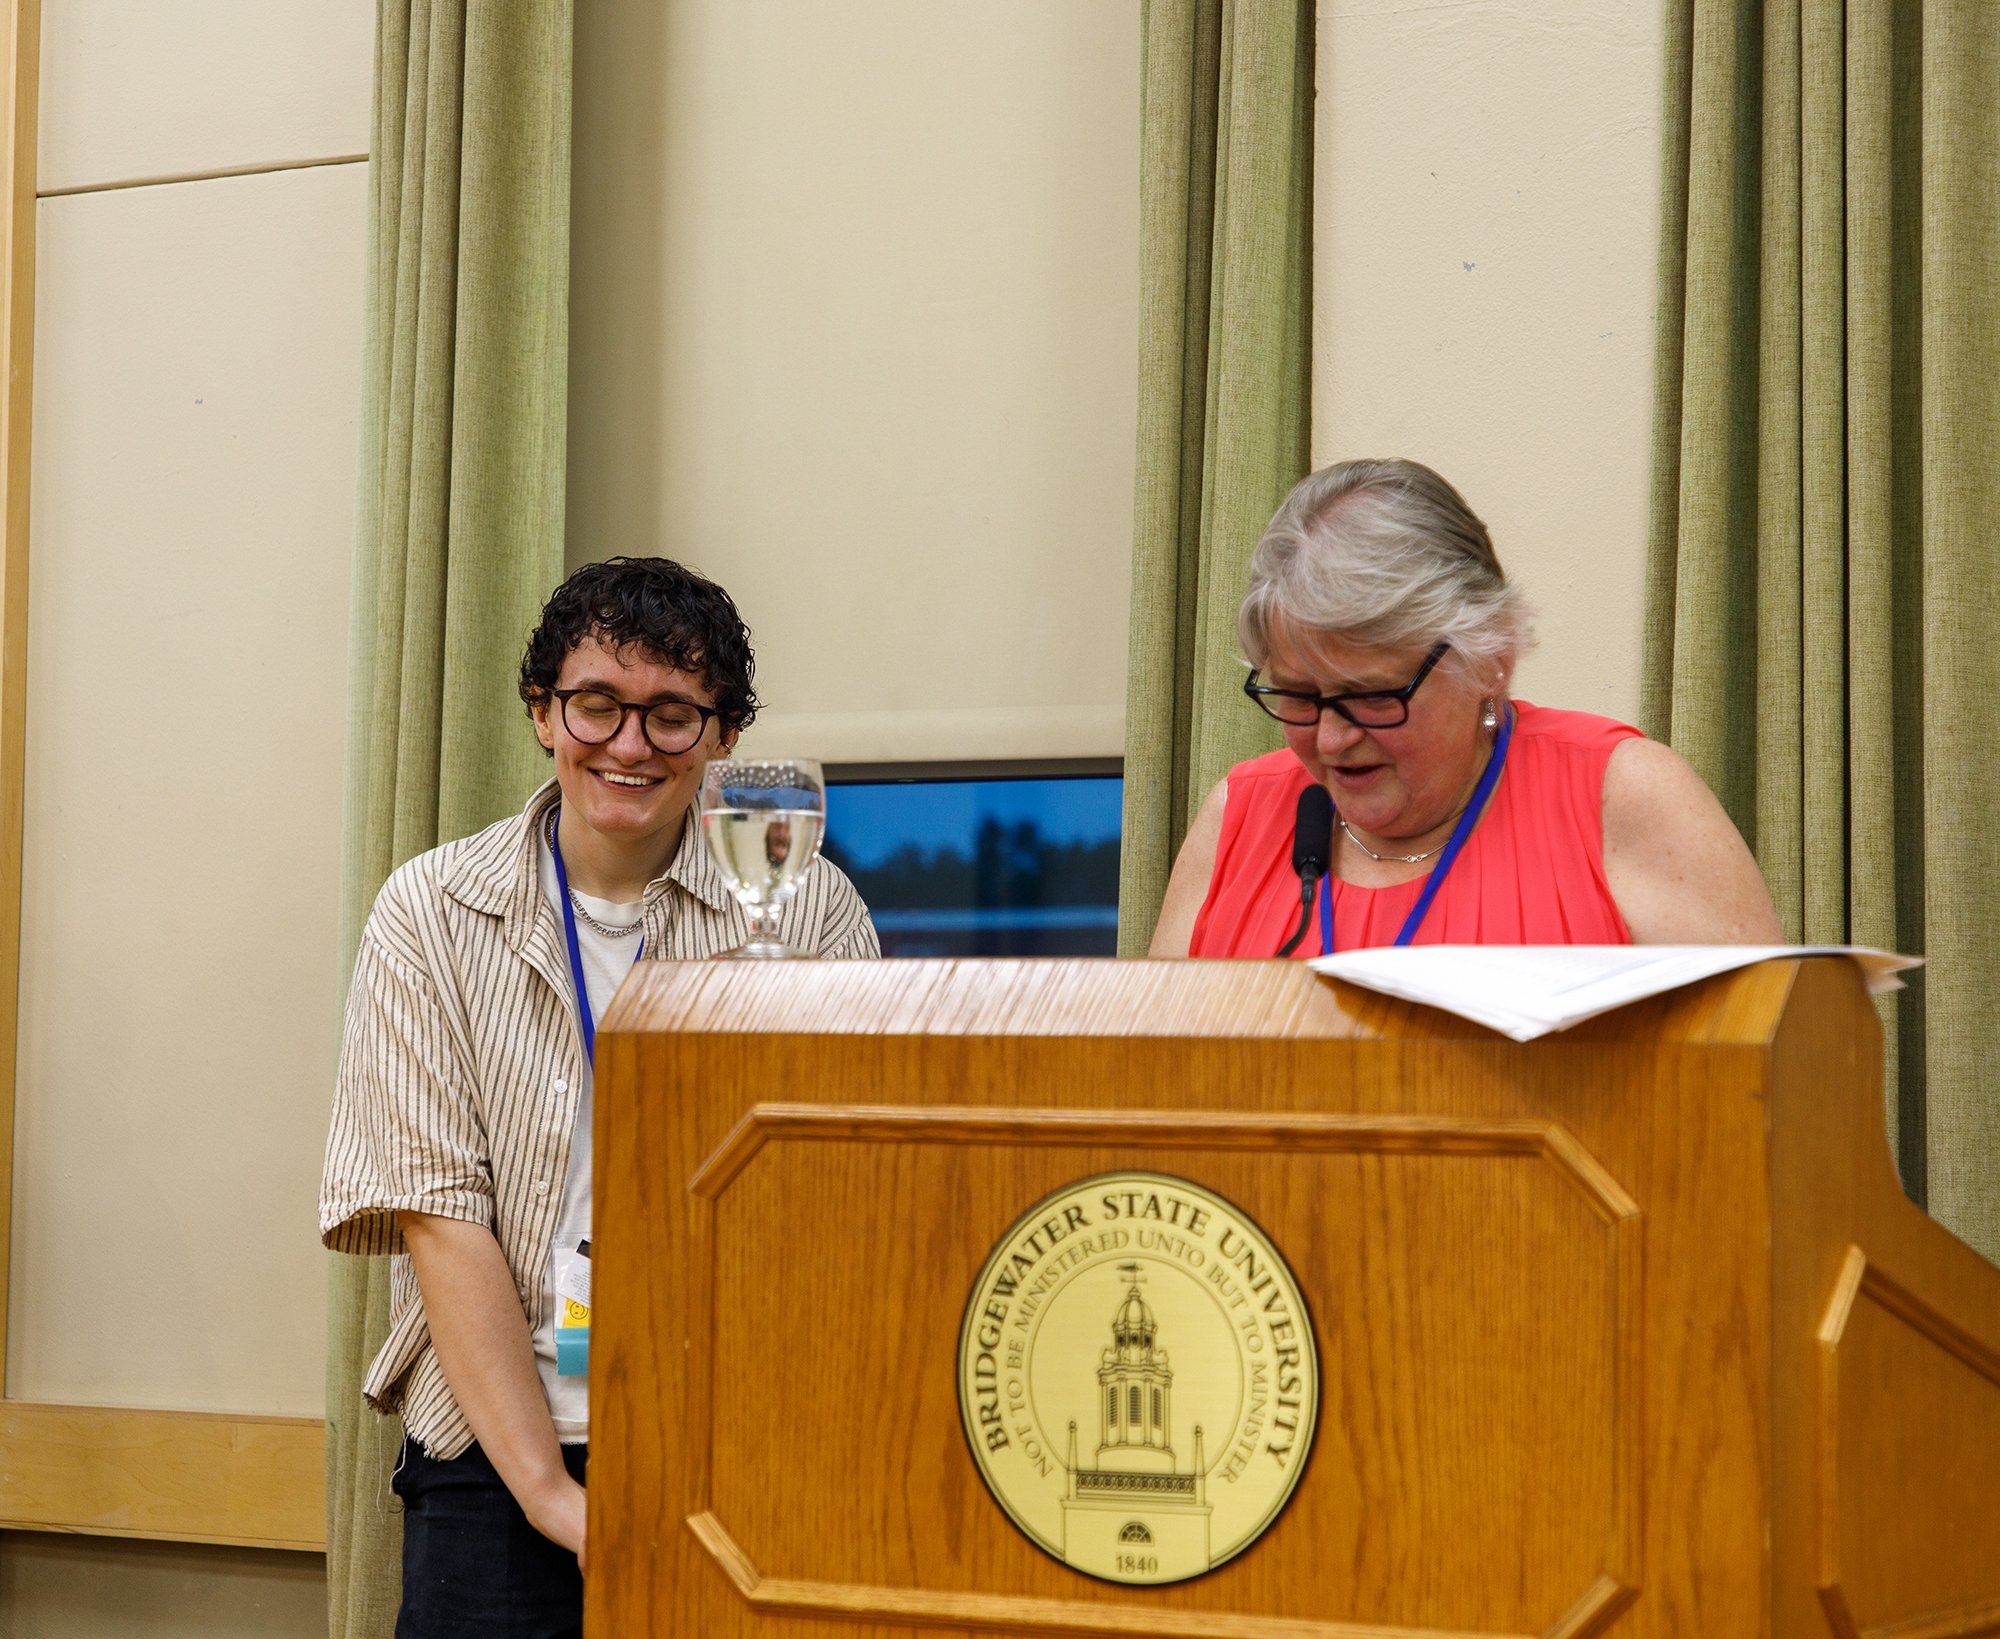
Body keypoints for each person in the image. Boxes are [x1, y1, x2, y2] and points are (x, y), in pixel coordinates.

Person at [320, 557, 878, 1638]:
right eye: (597, 706)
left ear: (722, 738)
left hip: (736, 1443)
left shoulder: (804, 908)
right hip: (494, 1458)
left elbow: (845, 1190)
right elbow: (440, 1221)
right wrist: (551, 1497)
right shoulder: (432, 913)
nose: (630, 745)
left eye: (672, 714)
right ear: (542, 714)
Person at [1150, 459, 1781, 957]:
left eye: (1372, 694)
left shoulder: (1624, 797)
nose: (1334, 739)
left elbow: (1765, 1085)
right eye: (1299, 696)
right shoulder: (1238, 815)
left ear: (1491, 659)